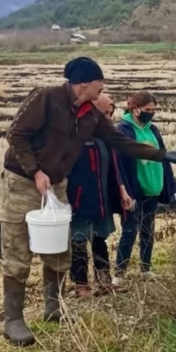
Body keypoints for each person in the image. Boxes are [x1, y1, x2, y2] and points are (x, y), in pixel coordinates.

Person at [1, 57, 176, 347]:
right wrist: (35, 171)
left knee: (58, 250)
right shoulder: (46, 98)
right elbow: (16, 134)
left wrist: (165, 155)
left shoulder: (91, 114)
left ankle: (54, 308)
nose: (103, 87)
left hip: (57, 185)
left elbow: (120, 142)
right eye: (101, 82)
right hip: (23, 183)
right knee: (17, 249)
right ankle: (13, 320)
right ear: (85, 83)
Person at [66, 93, 129, 298]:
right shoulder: (74, 136)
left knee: (100, 239)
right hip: (79, 199)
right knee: (79, 241)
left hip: (103, 200)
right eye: (104, 113)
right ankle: (81, 286)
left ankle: (104, 282)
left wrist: (121, 189)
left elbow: (114, 168)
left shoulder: (105, 138)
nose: (108, 119)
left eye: (111, 114)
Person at [114, 91, 176, 284]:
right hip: (135, 189)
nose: (151, 113)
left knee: (148, 229)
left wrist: (171, 187)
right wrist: (125, 191)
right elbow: (120, 164)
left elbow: (163, 158)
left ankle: (146, 268)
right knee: (129, 231)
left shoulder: (154, 130)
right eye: (147, 110)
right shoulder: (124, 129)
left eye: (153, 110)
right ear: (135, 109)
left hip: (153, 187)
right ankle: (119, 273)